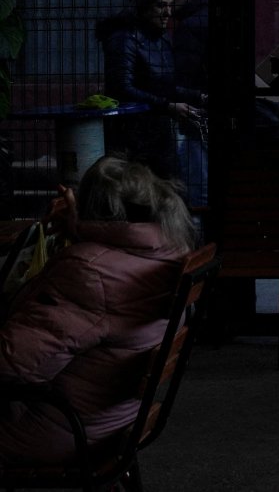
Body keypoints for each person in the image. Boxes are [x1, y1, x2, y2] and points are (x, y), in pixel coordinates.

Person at [0, 154, 195, 467]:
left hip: (58, 429)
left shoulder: (87, 271)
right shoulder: (169, 249)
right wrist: (80, 229)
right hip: (115, 418)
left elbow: (16, 367)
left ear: (97, 210)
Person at [96, 0, 203, 185]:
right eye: (161, 6)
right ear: (144, 7)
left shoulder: (161, 38)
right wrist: (167, 106)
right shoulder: (125, 39)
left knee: (167, 186)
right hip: (130, 133)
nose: (168, 13)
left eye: (170, 6)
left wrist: (196, 96)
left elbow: (164, 85)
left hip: (158, 130)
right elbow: (121, 88)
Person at [169, 0, 210, 208]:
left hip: (197, 111)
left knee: (197, 186)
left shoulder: (188, 27)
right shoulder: (214, 16)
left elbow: (184, 72)